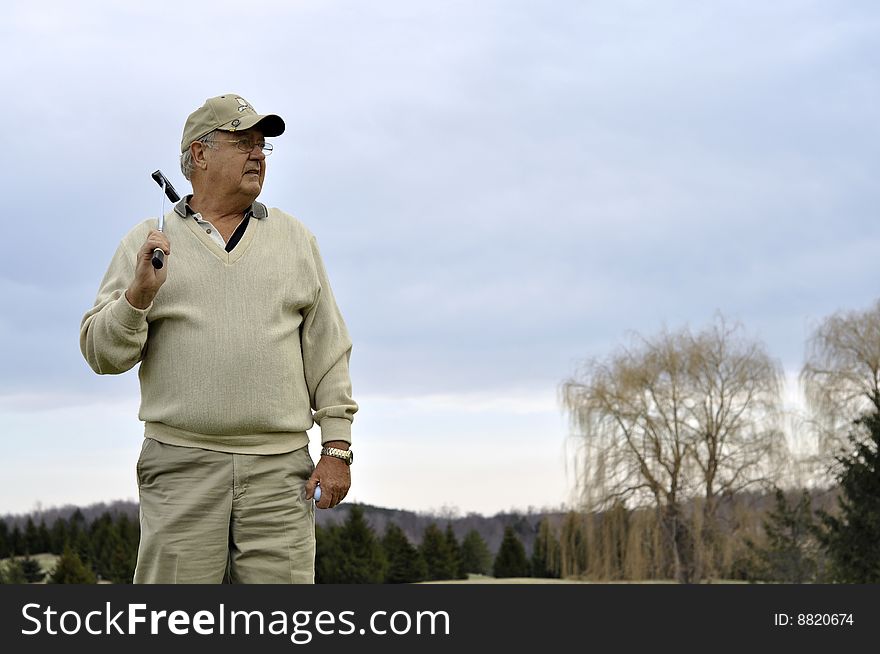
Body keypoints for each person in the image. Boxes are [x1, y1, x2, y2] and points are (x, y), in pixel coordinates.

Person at [80, 93, 357, 584]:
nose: (257, 154)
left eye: (262, 146)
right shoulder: (149, 241)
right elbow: (101, 354)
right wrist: (139, 294)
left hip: (280, 474)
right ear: (199, 155)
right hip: (181, 467)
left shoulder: (297, 241)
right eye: (243, 141)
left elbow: (328, 352)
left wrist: (336, 448)